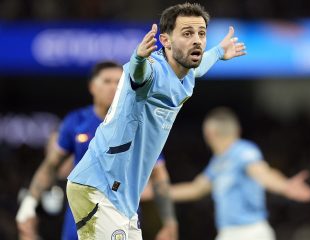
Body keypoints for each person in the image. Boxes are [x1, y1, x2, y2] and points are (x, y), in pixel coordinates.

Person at [66, 2, 246, 240]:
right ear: (165, 41)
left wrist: (220, 52)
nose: (197, 41)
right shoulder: (152, 69)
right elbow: (139, 75)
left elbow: (200, 65)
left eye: (201, 34)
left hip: (124, 196)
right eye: (187, 33)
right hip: (99, 186)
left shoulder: (186, 71)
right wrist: (139, 58)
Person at [16, 61, 177, 240]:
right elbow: (51, 166)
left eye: (119, 82)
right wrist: (29, 204)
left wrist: (169, 221)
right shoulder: (76, 122)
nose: (114, 87)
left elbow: (159, 175)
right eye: (107, 81)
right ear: (92, 86)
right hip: (81, 218)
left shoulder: (140, 126)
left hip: (122, 218)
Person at [170, 107, 310, 240]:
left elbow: (262, 173)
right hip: (229, 233)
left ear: (209, 134)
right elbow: (195, 189)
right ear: (237, 130)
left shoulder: (243, 151)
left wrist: (283, 185)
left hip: (249, 232)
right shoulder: (218, 162)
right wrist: (156, 191)